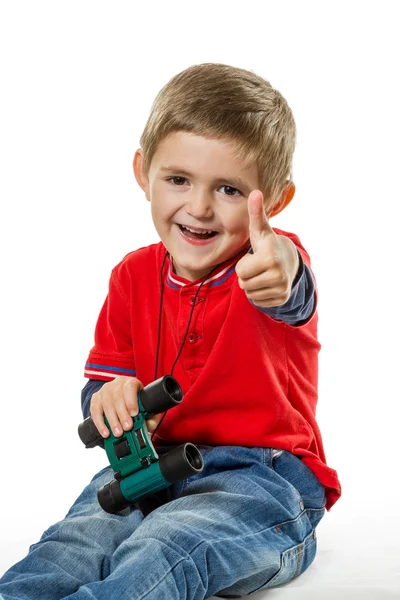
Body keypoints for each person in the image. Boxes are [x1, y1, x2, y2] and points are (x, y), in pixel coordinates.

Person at [0, 62, 341, 600]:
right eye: (178, 179)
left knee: (165, 547)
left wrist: (284, 265)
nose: (199, 207)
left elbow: (293, 290)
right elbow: (106, 384)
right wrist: (109, 398)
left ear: (273, 202)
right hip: (150, 464)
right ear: (143, 172)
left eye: (229, 189)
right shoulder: (132, 275)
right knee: (71, 546)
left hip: (262, 481)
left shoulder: (266, 267)